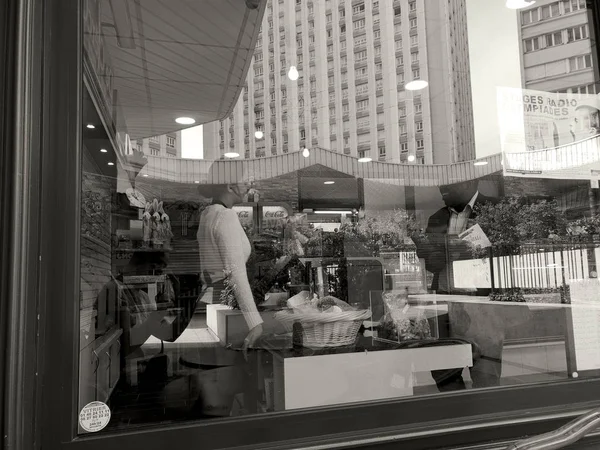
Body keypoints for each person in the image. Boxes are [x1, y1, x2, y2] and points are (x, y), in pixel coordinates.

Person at [196, 171, 263, 358]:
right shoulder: (225, 216)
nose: (248, 184)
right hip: (227, 300)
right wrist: (255, 323)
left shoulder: (207, 214)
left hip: (213, 298)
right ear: (229, 186)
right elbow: (235, 272)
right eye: (243, 179)